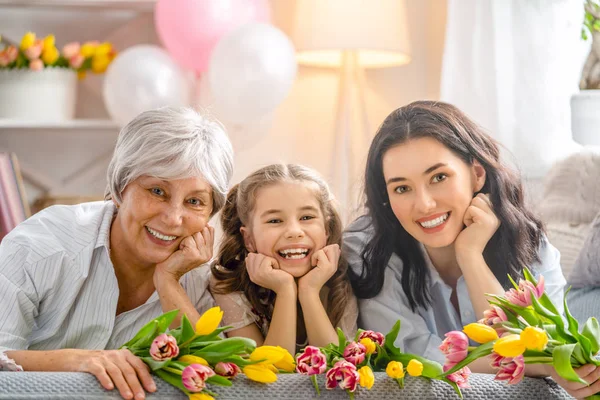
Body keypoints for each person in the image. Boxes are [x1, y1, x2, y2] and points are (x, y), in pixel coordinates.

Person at [344, 100, 589, 381]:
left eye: (439, 177)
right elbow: (409, 360)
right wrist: (537, 364)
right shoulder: (367, 251)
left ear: (477, 175)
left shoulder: (528, 239)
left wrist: (471, 256)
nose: (424, 205)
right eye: (402, 188)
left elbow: (540, 347)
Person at [0, 107, 234, 400]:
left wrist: (168, 281)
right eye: (157, 191)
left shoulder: (199, 277)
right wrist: (74, 361)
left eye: (195, 201)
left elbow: (220, 378)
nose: (174, 218)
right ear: (121, 188)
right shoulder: (42, 245)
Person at [210, 164, 357, 355]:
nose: (294, 232)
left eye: (306, 217)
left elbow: (337, 370)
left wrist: (309, 291)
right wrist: (285, 290)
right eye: (275, 221)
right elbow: (271, 373)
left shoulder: (341, 280)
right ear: (249, 239)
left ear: (326, 230)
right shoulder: (228, 284)